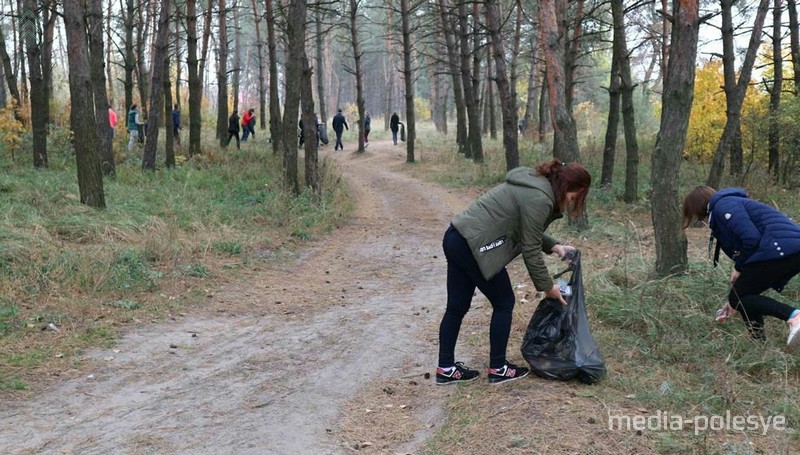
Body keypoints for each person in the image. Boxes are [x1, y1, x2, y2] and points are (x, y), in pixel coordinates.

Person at [436, 160, 591, 385]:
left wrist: (555, 246)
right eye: (574, 197)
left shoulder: (533, 183)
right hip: (474, 246)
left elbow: (526, 229)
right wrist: (548, 287)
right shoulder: (540, 198)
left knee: (457, 306)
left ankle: (446, 368)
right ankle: (498, 367)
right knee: (504, 301)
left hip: (457, 237)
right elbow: (530, 249)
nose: (572, 202)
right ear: (568, 186)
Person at [682, 186, 800, 347]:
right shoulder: (727, 205)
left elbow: (751, 238)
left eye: (696, 216)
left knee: (738, 296)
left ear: (698, 208)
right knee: (742, 296)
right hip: (783, 249)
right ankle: (758, 344)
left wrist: (738, 268)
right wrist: (734, 301)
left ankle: (795, 316)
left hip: (780, 248)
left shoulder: (724, 206)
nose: (700, 221)